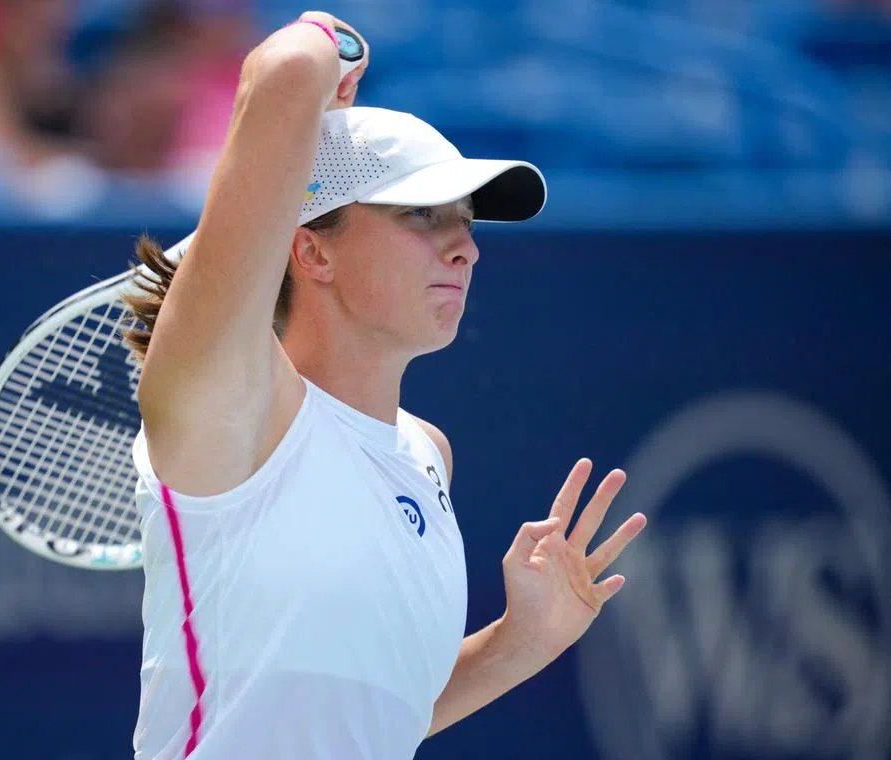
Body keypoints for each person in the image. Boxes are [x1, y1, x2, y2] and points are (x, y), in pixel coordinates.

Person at [121, 11, 648, 759]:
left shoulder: (426, 453)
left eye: (465, 222)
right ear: (313, 251)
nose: (464, 247)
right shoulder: (232, 406)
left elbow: (363, 718)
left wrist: (516, 644)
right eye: (423, 215)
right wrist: (328, 44)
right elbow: (280, 76)